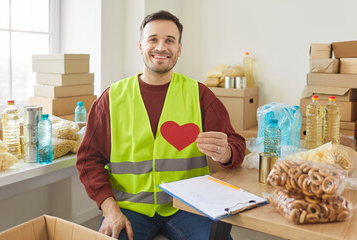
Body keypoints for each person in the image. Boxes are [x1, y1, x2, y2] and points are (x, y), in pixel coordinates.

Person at [76, 10, 246, 240]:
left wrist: (225, 152)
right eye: (153, 39)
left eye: (170, 40)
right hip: (129, 208)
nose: (161, 47)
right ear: (140, 45)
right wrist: (110, 209)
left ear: (179, 48)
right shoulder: (111, 98)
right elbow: (88, 160)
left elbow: (236, 145)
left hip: (188, 207)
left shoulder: (200, 95)